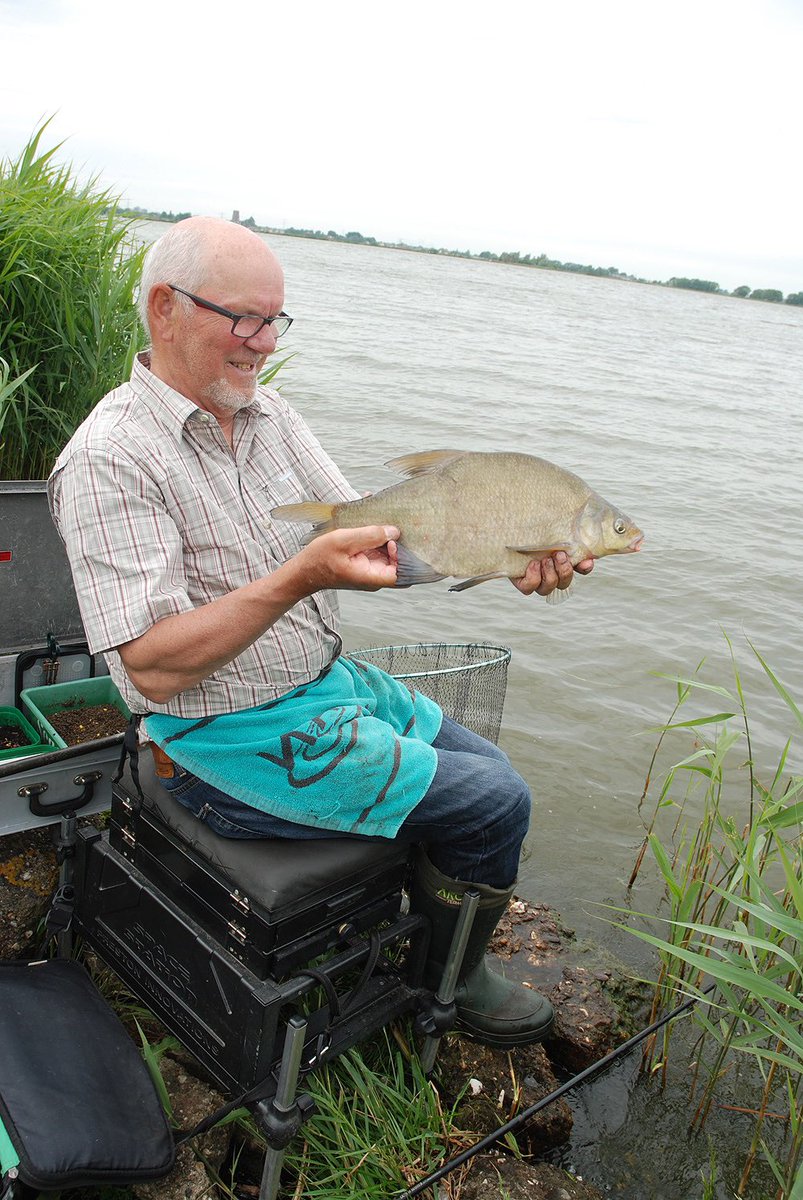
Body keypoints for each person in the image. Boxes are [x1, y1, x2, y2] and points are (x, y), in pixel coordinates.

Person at [49, 216, 593, 1049]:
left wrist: (505, 555)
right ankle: (449, 983)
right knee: (494, 805)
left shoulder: (266, 412)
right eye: (245, 319)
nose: (265, 343)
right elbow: (151, 668)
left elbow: (377, 545)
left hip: (325, 687)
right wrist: (297, 577)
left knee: (492, 771)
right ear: (164, 308)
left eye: (275, 320)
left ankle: (432, 945)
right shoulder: (109, 459)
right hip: (216, 737)